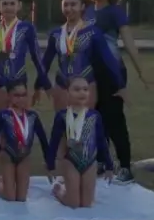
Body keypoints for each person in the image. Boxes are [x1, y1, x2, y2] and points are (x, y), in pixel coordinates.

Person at [85, 0, 147, 184]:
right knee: (95, 118)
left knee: (114, 120)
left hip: (112, 73)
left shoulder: (115, 12)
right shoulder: (86, 11)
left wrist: (141, 71)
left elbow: (129, 43)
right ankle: (102, 161)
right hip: (89, 75)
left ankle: (126, 167)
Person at [37, 0, 127, 111]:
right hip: (62, 84)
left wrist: (120, 85)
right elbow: (45, 61)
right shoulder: (56, 34)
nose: (69, 8)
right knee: (63, 124)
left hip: (86, 84)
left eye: (73, 4)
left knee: (84, 125)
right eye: (65, 5)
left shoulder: (93, 32)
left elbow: (108, 60)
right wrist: (39, 85)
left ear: (82, 7)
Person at [0, 0, 51, 111]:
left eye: (12, 3)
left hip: (19, 81)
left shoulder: (26, 28)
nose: (8, 7)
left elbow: (36, 57)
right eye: (5, 3)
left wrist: (43, 83)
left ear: (19, 6)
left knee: (19, 120)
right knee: (1, 120)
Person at [46, 76, 114, 208]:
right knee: (74, 203)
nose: (82, 93)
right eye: (77, 90)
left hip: (90, 161)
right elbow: (54, 142)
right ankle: (59, 189)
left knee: (86, 204)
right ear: (68, 93)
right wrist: (50, 165)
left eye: (85, 89)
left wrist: (109, 165)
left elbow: (101, 141)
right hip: (70, 161)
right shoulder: (62, 116)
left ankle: (72, 186)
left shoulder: (94, 116)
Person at [0, 81, 50, 202]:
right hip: (8, 156)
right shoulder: (3, 115)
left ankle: (7, 182)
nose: (20, 99)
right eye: (16, 95)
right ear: (9, 96)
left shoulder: (32, 116)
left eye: (23, 95)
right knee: (10, 198)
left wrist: (49, 161)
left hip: (24, 157)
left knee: (21, 198)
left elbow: (43, 139)